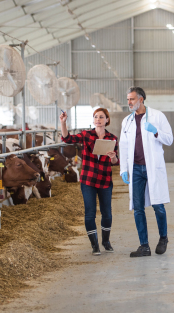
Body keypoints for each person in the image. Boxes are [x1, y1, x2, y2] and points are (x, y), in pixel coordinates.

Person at [119, 86, 173, 258]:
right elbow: (123, 145)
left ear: (141, 99)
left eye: (132, 99)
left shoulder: (157, 116)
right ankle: (144, 246)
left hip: (152, 168)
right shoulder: (126, 121)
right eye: (128, 99)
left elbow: (170, 139)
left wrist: (156, 131)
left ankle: (163, 238)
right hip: (135, 169)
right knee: (138, 208)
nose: (129, 102)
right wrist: (123, 169)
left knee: (158, 205)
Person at [60, 108, 119, 255]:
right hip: (88, 180)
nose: (98, 119)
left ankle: (106, 241)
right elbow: (67, 139)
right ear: (93, 120)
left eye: (101, 117)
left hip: (105, 180)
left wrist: (113, 157)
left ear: (107, 120)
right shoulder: (86, 135)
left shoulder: (112, 138)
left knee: (107, 214)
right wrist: (63, 123)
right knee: (90, 213)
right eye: (96, 117)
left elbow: (115, 162)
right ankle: (94, 245)